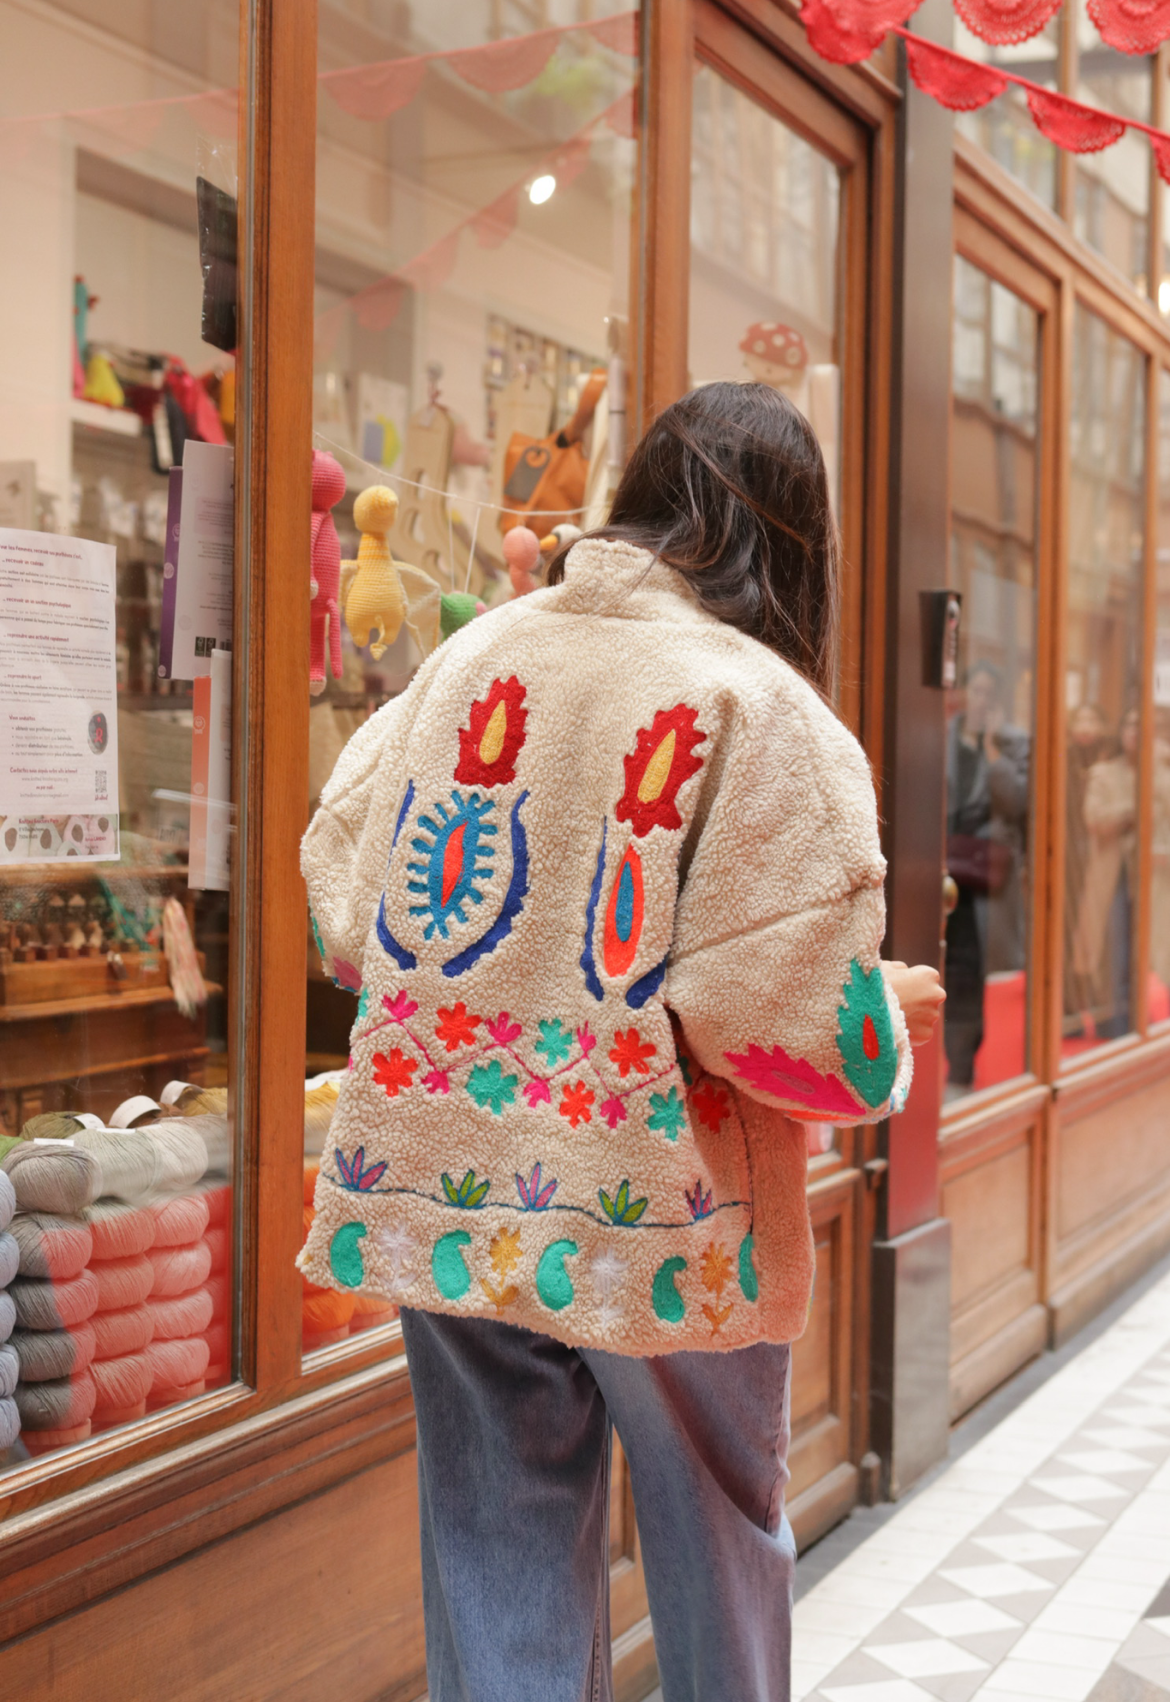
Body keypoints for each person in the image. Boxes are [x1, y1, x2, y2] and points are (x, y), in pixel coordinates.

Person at [300, 382, 945, 1702]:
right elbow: (783, 1023)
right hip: (667, 1213)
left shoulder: (473, 656)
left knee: (497, 1541)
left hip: (445, 1173)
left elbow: (346, 903)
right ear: (789, 540)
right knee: (715, 1528)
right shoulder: (754, 704)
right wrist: (887, 1018)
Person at [943, 660, 1029, 1089]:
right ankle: (950, 1065)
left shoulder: (1014, 745)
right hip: (941, 875)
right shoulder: (941, 737)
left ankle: (965, 1067)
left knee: (975, 973)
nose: (981, 702)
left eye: (989, 695)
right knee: (945, 971)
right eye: (975, 692)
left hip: (986, 884)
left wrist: (993, 748)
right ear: (963, 694)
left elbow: (1016, 803)